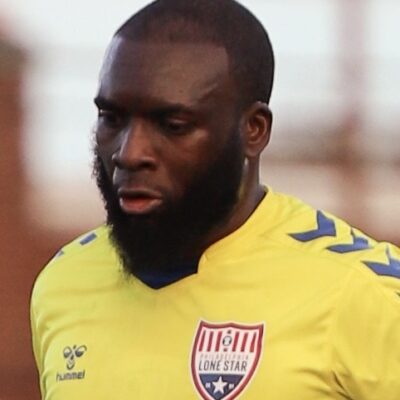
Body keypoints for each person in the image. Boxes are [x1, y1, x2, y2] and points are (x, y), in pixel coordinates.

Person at [30, 0, 400, 399]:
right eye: (112, 119)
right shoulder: (64, 283)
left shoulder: (361, 293)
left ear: (254, 130)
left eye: (173, 125)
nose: (130, 153)